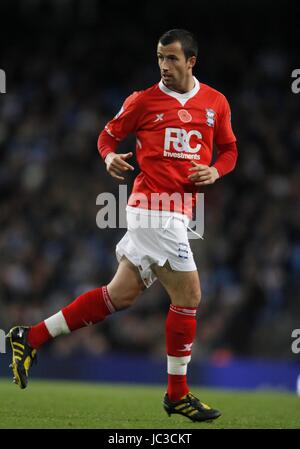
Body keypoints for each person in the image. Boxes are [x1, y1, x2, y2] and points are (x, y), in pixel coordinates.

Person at [7, 29, 237, 422]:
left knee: (121, 294)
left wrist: (215, 171)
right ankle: (176, 394)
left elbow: (230, 150)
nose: (164, 66)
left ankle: (30, 337)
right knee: (190, 296)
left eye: (172, 59)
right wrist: (109, 157)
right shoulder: (143, 101)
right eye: (160, 58)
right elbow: (107, 136)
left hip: (179, 212)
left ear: (191, 61)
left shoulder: (215, 102)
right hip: (153, 208)